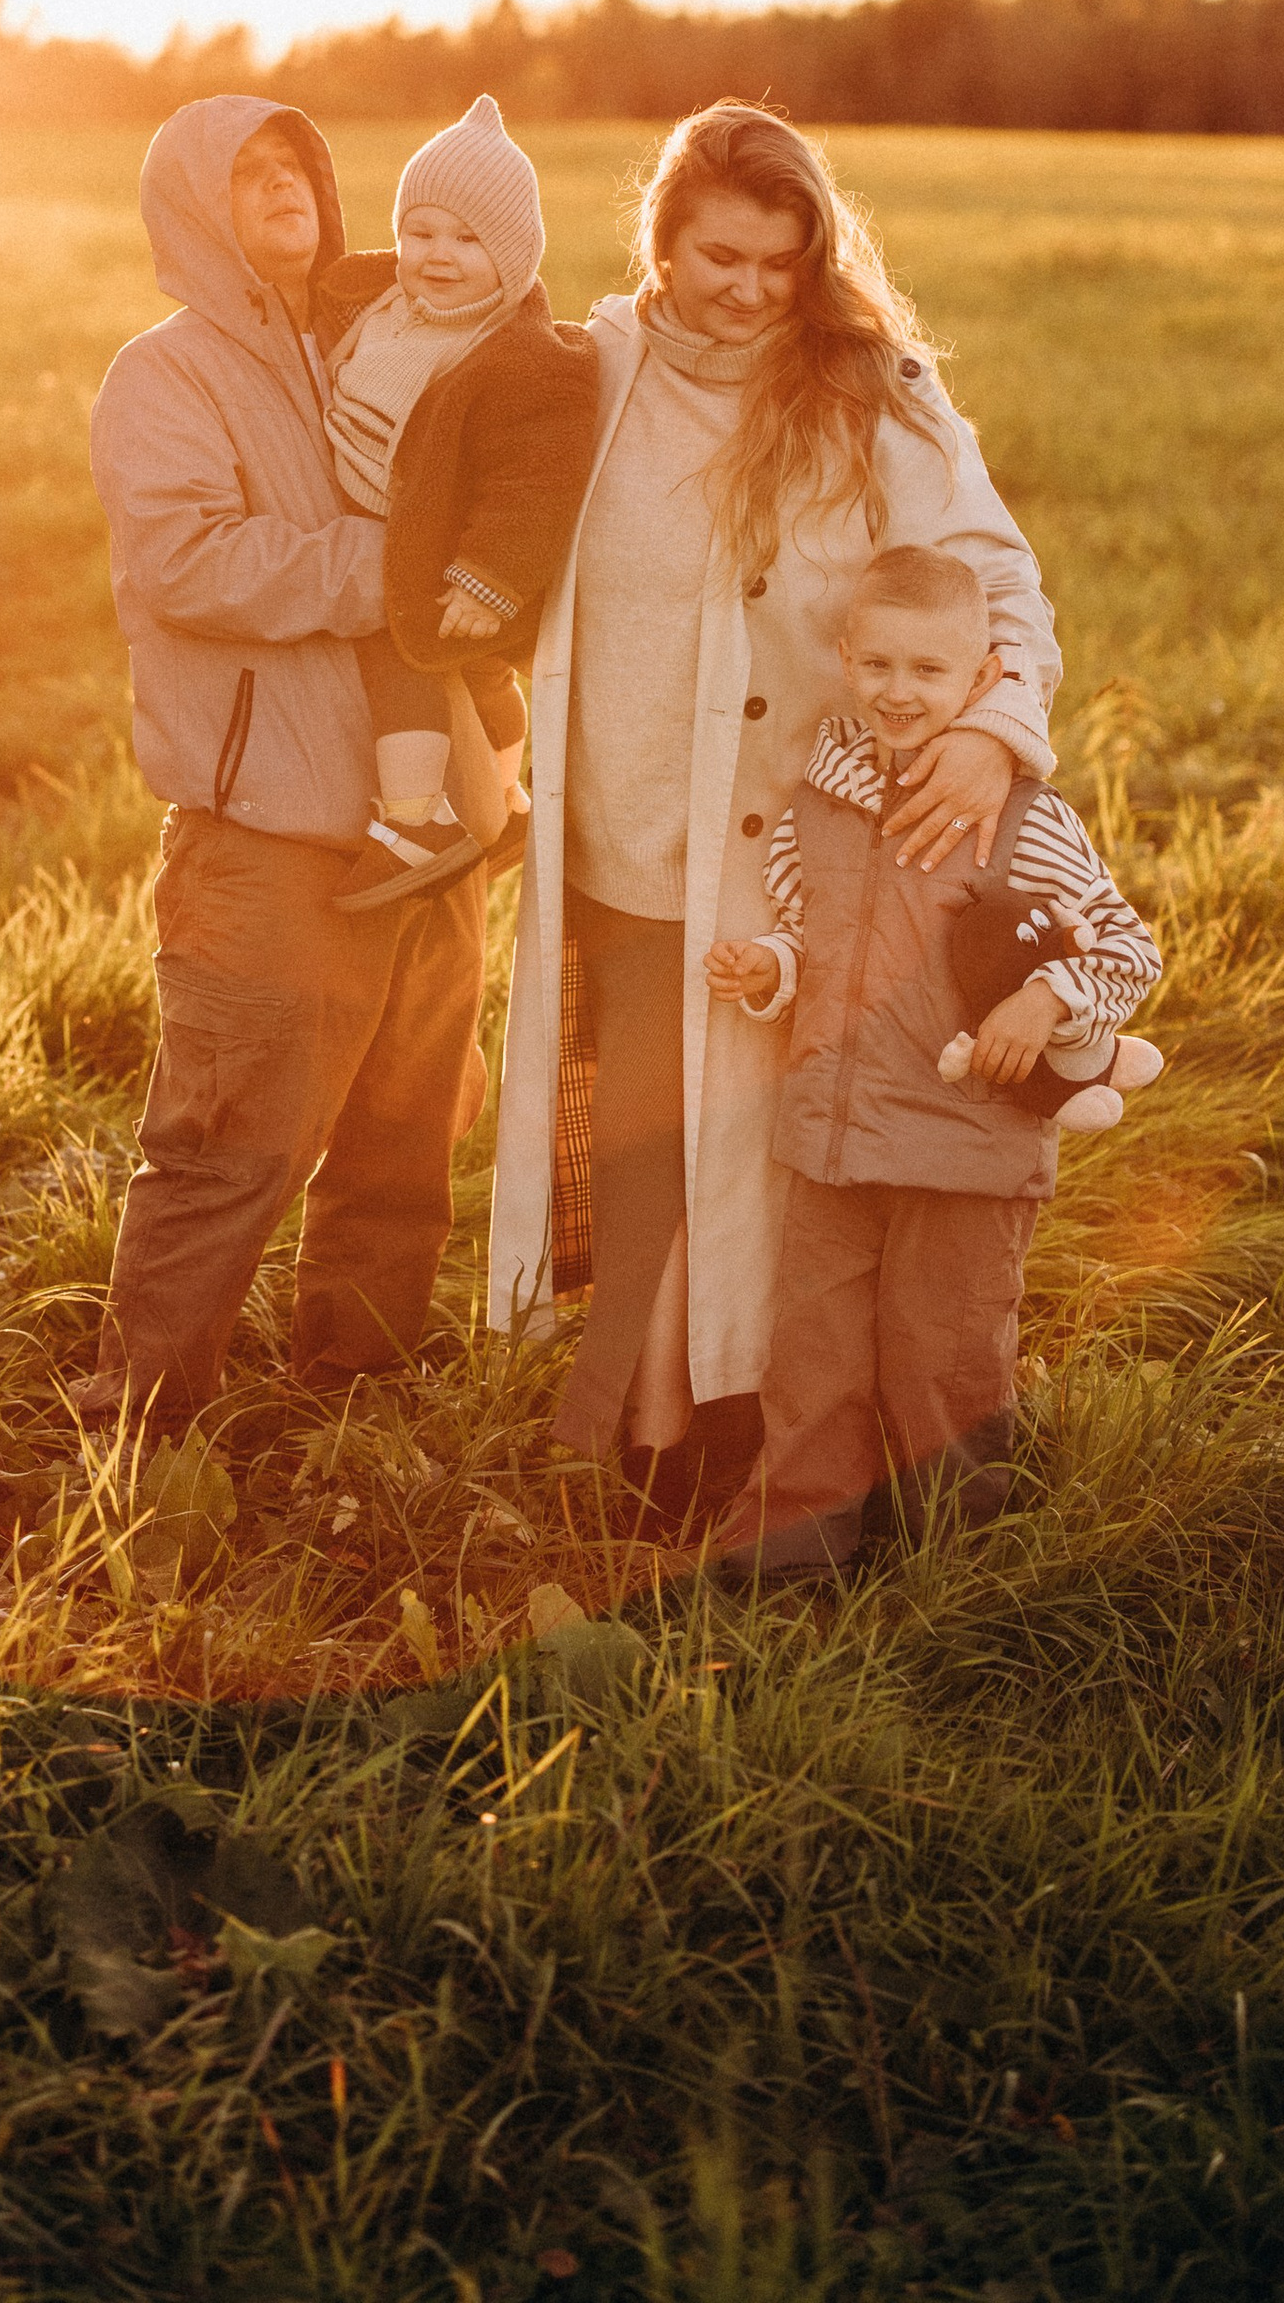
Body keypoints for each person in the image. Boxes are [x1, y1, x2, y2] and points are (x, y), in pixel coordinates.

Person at [485, 100, 1067, 1523]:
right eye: (719, 257)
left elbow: (999, 579)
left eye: (779, 264)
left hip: (799, 841)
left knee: (764, 1149)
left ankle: (773, 1435)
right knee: (640, 1148)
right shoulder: (592, 370)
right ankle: (648, 1426)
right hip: (617, 834)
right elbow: (419, 349)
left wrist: (997, 727)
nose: (748, 291)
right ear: (662, 243)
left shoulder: (878, 392)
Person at [81, 96, 493, 1426]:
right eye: (245, 175)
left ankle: (358, 1391)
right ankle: (146, 1420)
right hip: (269, 823)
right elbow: (186, 559)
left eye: (296, 167)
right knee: (226, 1142)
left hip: (430, 820)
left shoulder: (385, 339)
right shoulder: (166, 376)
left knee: (403, 1132)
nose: (280, 189)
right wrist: (397, 573)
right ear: (196, 211)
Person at [703, 544, 1164, 1577]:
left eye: (928, 672)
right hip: (832, 1141)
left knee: (942, 1363)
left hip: (967, 1149)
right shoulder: (813, 809)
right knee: (812, 1359)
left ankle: (955, 1564)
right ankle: (790, 1553)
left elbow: (1128, 950)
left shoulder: (1026, 818)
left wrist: (1045, 996)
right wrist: (769, 970)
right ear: (844, 659)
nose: (899, 692)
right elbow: (810, 933)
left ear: (982, 681)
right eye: (879, 667)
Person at [312, 95, 596, 911]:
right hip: (384, 510)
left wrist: (487, 574)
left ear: (512, 253)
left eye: (468, 239)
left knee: (398, 649)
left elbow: (536, 479)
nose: (438, 256)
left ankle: (416, 821)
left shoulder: (522, 354)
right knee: (474, 679)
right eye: (420, 232)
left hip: (438, 542)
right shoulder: (383, 299)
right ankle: (507, 806)